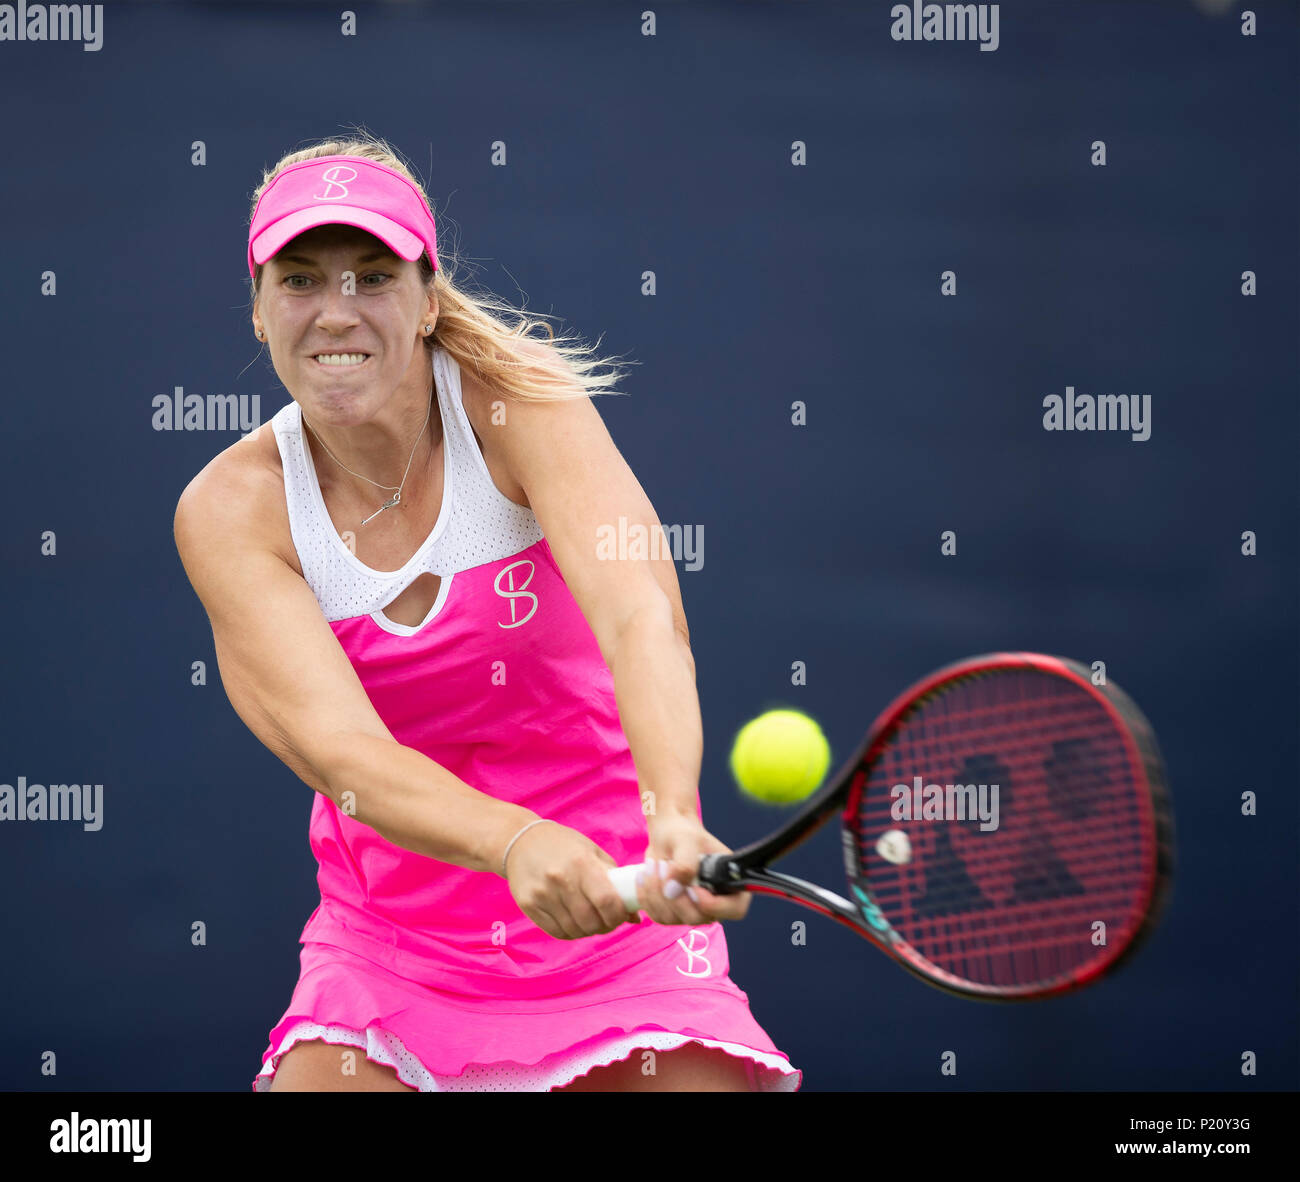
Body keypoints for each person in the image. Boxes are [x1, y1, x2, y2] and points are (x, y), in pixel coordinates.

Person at [173, 132, 800, 1092]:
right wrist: (513, 843)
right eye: (299, 280)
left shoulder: (521, 411)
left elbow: (641, 614)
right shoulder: (232, 509)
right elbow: (348, 760)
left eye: (372, 277)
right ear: (258, 312)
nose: (335, 312)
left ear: (427, 300)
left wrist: (672, 811)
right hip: (390, 953)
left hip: (621, 938)